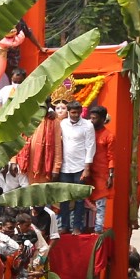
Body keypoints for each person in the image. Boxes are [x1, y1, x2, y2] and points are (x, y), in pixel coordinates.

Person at [54, 100, 96, 234]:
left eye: (78, 112)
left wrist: (87, 167)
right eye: (73, 112)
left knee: (79, 199)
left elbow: (91, 147)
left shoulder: (87, 125)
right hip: (65, 167)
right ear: (68, 112)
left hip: (80, 167)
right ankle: (64, 226)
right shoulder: (62, 124)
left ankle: (77, 226)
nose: (75, 115)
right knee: (65, 198)